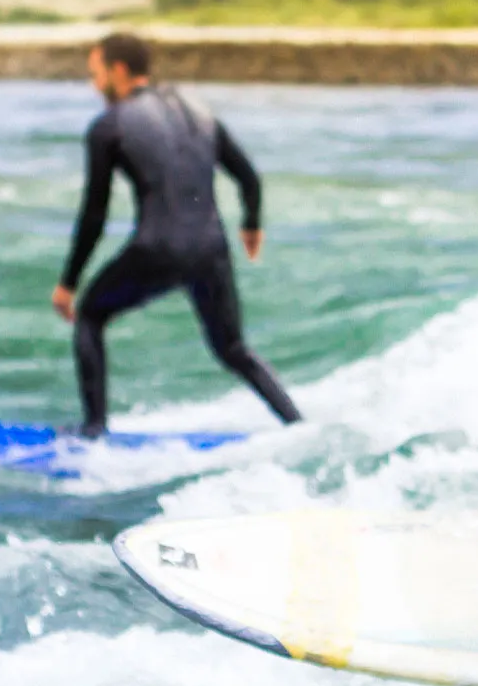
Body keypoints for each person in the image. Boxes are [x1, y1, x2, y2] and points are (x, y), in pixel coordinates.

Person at [50, 32, 302, 435]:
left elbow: (94, 213)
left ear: (118, 71)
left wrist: (68, 283)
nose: (94, 85)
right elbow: (249, 178)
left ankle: (94, 430)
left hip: (158, 250)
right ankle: (297, 424)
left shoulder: (109, 126)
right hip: (210, 251)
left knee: (90, 318)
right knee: (233, 349)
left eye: (96, 74)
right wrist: (251, 224)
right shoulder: (200, 112)